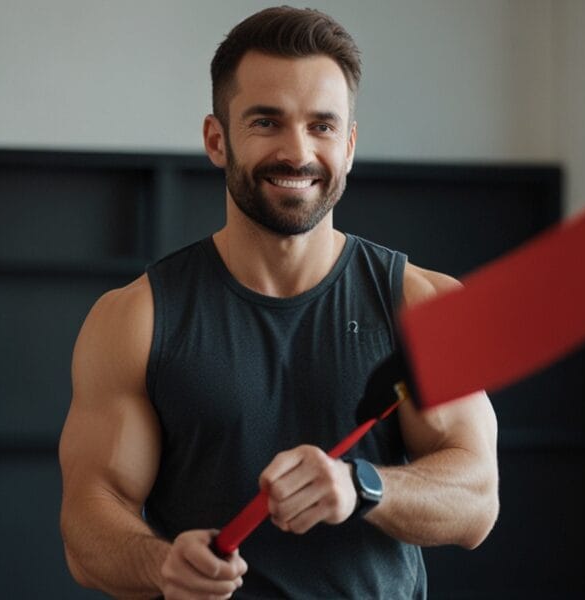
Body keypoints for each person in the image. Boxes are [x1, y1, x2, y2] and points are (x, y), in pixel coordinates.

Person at [58, 6, 499, 599]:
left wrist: (361, 487)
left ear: (349, 145)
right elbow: (89, 520)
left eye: (321, 126)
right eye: (267, 122)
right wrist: (160, 563)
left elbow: (477, 500)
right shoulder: (137, 319)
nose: (297, 152)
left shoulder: (423, 305)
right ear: (218, 140)